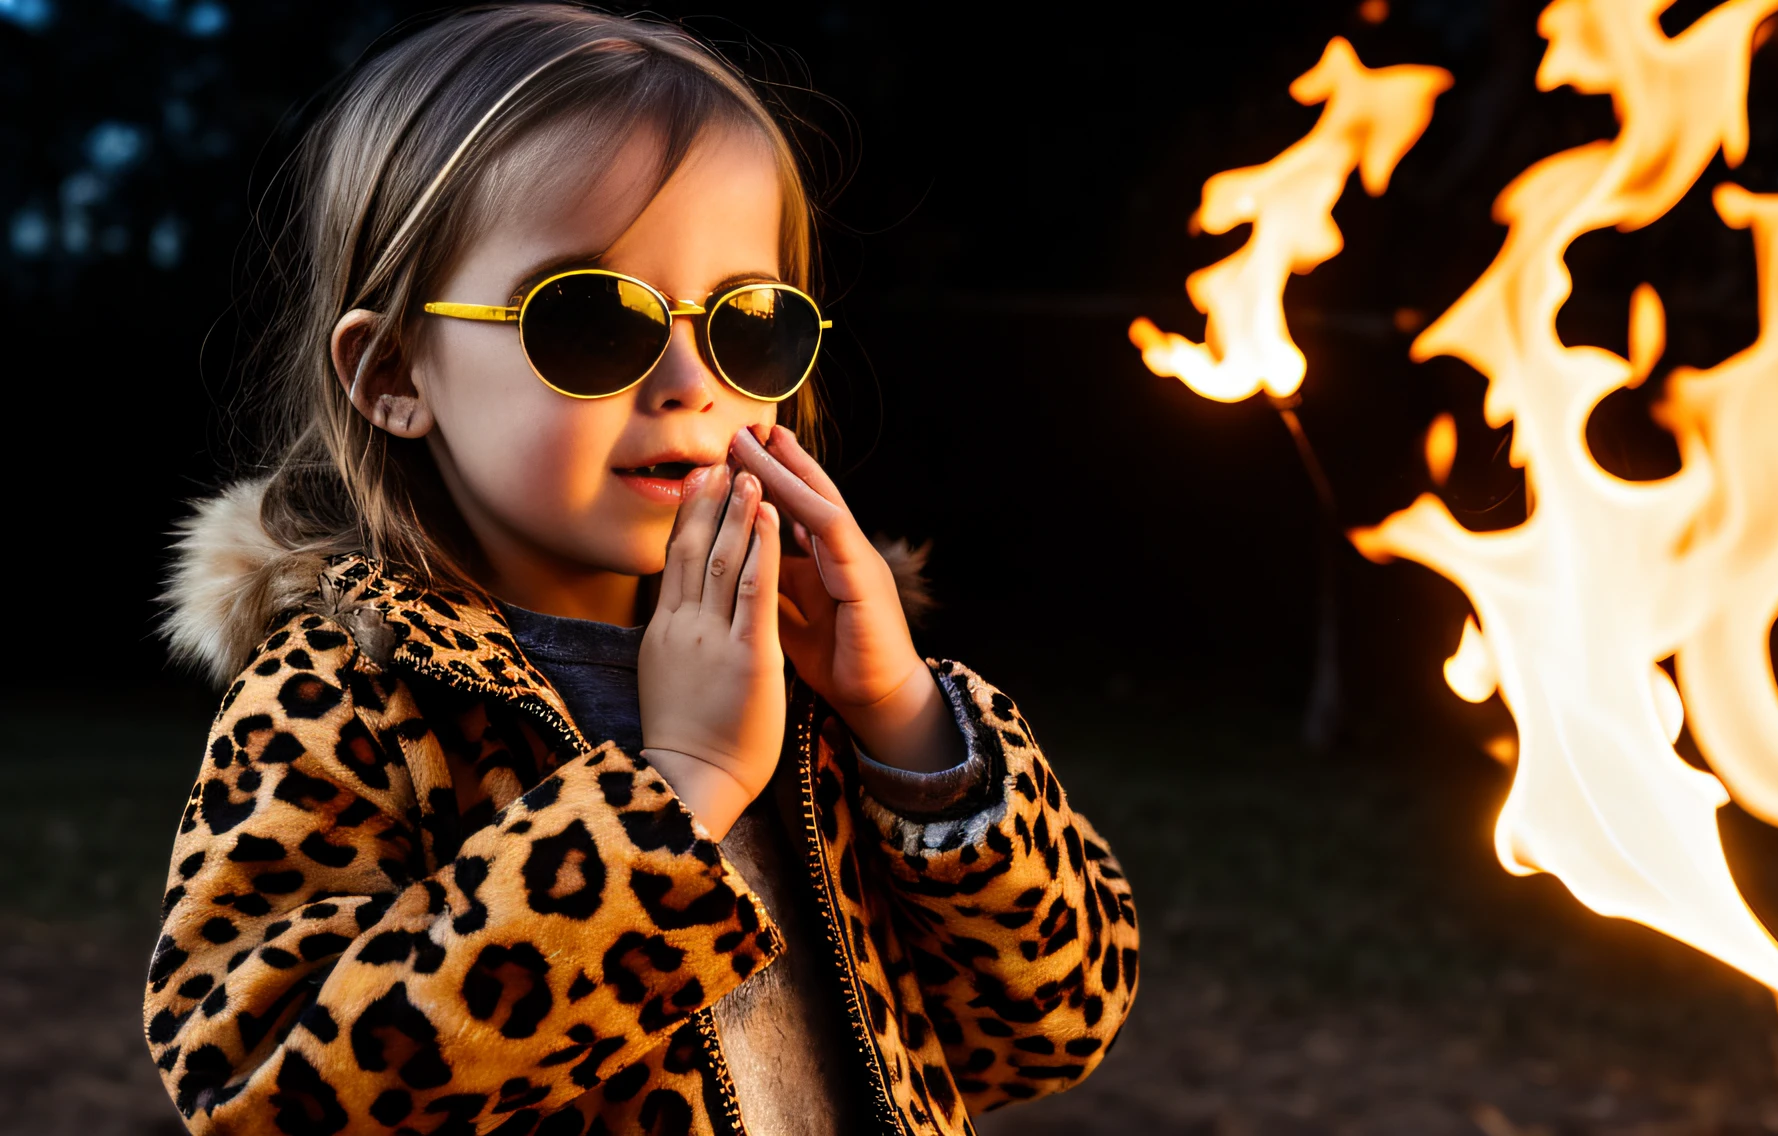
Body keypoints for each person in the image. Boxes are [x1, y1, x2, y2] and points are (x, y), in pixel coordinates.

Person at [143, 7, 1139, 1134]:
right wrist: (681, 787)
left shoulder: (806, 665)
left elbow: (1055, 1021)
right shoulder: (350, 695)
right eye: (589, 318)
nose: (686, 379)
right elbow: (260, 1092)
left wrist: (901, 716)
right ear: (392, 371)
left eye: (745, 323)